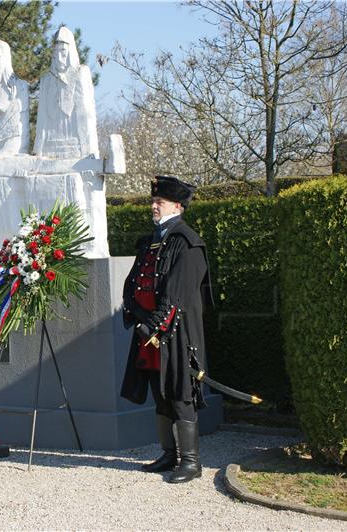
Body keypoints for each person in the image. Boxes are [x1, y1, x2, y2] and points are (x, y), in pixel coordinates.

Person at [120, 176, 213, 483]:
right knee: (159, 394)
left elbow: (178, 295)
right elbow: (134, 282)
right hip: (149, 333)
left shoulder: (187, 242)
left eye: (159, 202)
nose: (153, 205)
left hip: (175, 334)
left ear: (177, 205)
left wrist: (153, 326)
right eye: (153, 201)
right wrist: (135, 313)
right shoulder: (151, 241)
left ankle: (190, 461)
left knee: (180, 395)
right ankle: (169, 453)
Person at [34, 26, 98, 160]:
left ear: (70, 51)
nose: (58, 56)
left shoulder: (80, 73)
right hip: (49, 146)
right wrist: (37, 150)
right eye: (55, 51)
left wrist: (88, 151)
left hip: (75, 147)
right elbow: (42, 119)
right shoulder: (46, 79)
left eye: (63, 51)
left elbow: (85, 114)